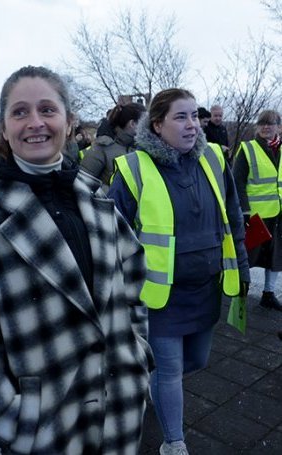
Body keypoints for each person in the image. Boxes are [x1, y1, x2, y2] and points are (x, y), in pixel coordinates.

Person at [0, 65, 152, 455]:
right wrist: (19, 421)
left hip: (120, 416)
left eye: (47, 109)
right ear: (4, 126)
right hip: (45, 435)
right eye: (20, 112)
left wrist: (137, 358)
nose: (35, 122)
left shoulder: (97, 200)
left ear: (68, 121)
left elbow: (131, 287)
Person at [108, 88, 249, 455]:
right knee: (170, 372)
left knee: (196, 361)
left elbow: (234, 218)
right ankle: (174, 443)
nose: (192, 125)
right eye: (181, 117)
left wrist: (243, 266)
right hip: (159, 296)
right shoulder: (133, 169)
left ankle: (156, 383)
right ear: (157, 125)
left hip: (205, 289)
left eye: (194, 117)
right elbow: (112, 237)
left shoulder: (215, 158)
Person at [233, 110, 282, 311]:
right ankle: (238, 295)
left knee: (276, 256)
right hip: (254, 216)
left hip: (278, 214)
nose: (266, 127)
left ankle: (268, 294)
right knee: (246, 257)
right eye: (262, 123)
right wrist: (243, 211)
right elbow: (238, 182)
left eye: (270, 124)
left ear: (279, 127)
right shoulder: (248, 149)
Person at [81, 102, 146, 191]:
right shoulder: (102, 147)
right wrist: (113, 195)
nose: (148, 127)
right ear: (132, 124)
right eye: (144, 122)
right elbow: (83, 182)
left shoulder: (141, 149)